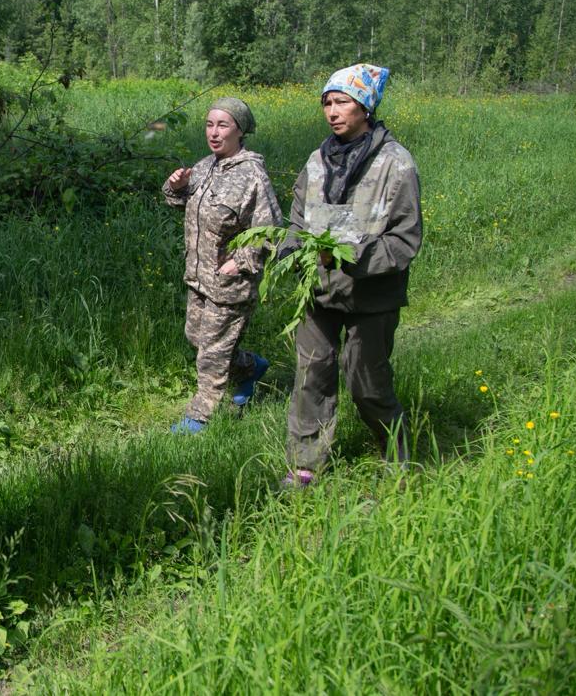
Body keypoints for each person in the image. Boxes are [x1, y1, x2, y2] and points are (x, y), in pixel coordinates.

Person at [281, 64, 422, 487]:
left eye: (341, 101)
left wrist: (349, 256)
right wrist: (293, 251)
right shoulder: (317, 160)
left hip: (372, 296)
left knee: (367, 381)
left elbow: (405, 240)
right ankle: (305, 465)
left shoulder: (395, 164)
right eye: (327, 102)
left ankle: (397, 457)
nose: (332, 111)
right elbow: (297, 219)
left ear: (365, 105)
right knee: (311, 376)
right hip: (320, 292)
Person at [162, 97, 282, 433]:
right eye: (209, 125)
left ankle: (199, 417)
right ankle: (250, 367)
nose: (214, 133)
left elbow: (269, 232)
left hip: (231, 283)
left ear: (240, 130)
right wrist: (176, 187)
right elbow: (181, 203)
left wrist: (240, 262)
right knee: (196, 338)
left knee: (212, 354)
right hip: (198, 277)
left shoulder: (252, 175)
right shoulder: (204, 167)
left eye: (223, 125)